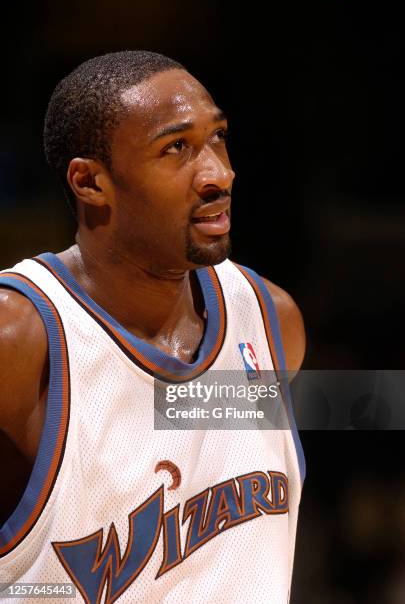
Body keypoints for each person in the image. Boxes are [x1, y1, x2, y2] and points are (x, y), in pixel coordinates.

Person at [0, 51, 306, 603]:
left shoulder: (271, 321)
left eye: (218, 137)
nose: (219, 173)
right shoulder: (20, 339)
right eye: (177, 149)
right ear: (91, 182)